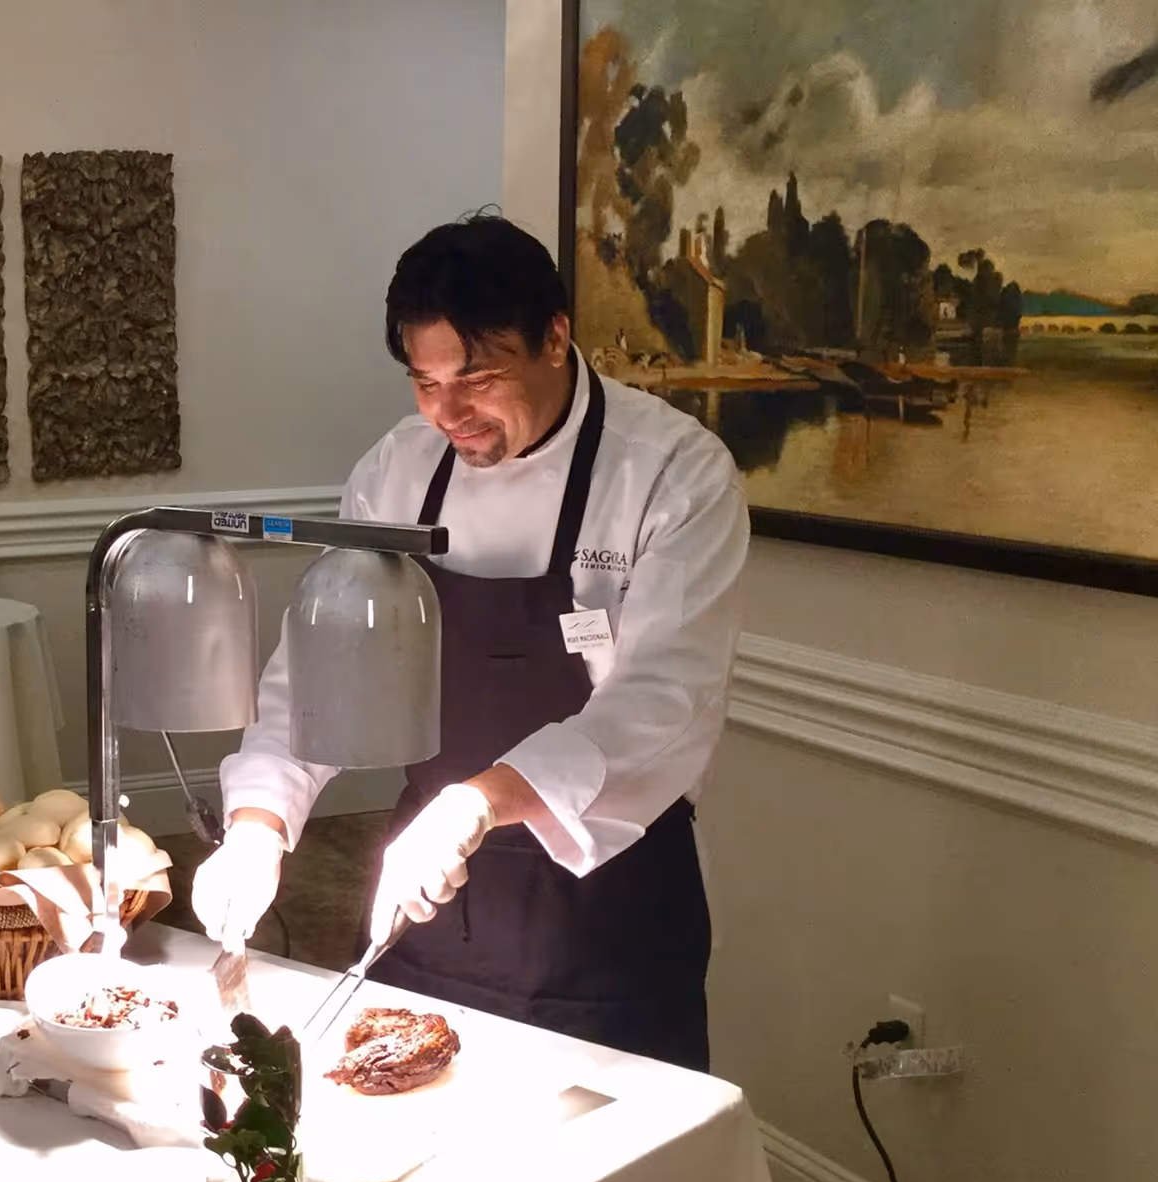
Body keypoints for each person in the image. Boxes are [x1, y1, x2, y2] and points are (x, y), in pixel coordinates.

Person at [192, 216, 747, 1071]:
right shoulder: (401, 469)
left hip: (608, 915)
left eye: (477, 378)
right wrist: (259, 825)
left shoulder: (673, 472)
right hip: (429, 905)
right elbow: (319, 671)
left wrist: (479, 800)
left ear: (557, 336)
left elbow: (661, 704)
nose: (447, 413)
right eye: (423, 382)